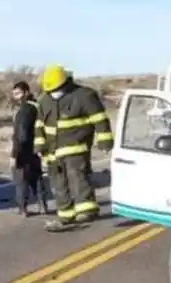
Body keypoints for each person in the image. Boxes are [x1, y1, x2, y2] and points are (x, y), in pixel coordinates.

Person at [33, 65, 114, 230]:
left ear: (65, 84)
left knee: (77, 178)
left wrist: (105, 141)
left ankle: (86, 210)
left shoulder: (84, 96)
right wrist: (39, 145)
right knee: (58, 183)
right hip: (52, 152)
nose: (54, 92)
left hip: (76, 147)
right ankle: (65, 214)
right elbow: (39, 124)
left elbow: (100, 119)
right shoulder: (45, 100)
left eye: (56, 88)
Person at [9, 80, 47, 216]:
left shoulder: (25, 109)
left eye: (18, 93)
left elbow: (21, 132)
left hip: (24, 148)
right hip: (36, 147)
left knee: (21, 180)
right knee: (37, 178)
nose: (16, 97)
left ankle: (23, 208)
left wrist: (15, 154)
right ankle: (42, 205)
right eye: (14, 94)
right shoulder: (37, 105)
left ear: (26, 92)